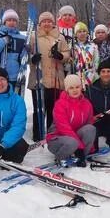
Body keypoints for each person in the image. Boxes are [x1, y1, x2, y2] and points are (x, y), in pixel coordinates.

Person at [27, 11, 70, 141]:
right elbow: (25, 55)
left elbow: (67, 53)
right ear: (40, 23)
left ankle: (52, 134)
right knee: (39, 109)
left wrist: (61, 56)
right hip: (38, 80)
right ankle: (38, 135)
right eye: (44, 21)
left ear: (53, 23)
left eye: (49, 21)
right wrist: (32, 59)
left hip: (56, 78)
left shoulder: (59, 37)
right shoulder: (33, 37)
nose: (47, 23)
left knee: (54, 110)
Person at [47, 74, 96, 167]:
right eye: (71, 88)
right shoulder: (60, 104)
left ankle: (80, 157)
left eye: (77, 87)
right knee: (73, 142)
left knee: (90, 128)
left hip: (75, 138)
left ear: (81, 87)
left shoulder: (87, 104)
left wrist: (91, 146)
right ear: (66, 89)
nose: (75, 90)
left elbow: (89, 123)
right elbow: (64, 128)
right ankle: (61, 157)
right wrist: (80, 146)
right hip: (57, 139)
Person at [0, 9, 27, 90]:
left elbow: (23, 59)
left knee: (13, 101)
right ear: (4, 22)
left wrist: (27, 51)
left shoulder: (22, 38)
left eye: (14, 20)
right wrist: (2, 41)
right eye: (9, 20)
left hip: (14, 77)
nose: (12, 22)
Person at [72, 21, 99, 89]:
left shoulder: (93, 46)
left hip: (91, 75)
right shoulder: (73, 47)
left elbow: (97, 61)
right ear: (76, 34)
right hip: (77, 75)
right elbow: (71, 62)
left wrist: (95, 73)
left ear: (87, 33)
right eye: (79, 32)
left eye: (84, 31)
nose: (82, 33)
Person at [56, 5, 77, 74]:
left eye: (70, 15)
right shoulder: (56, 30)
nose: (67, 17)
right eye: (65, 15)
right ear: (61, 16)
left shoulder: (77, 29)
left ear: (73, 17)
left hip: (75, 62)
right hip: (59, 61)